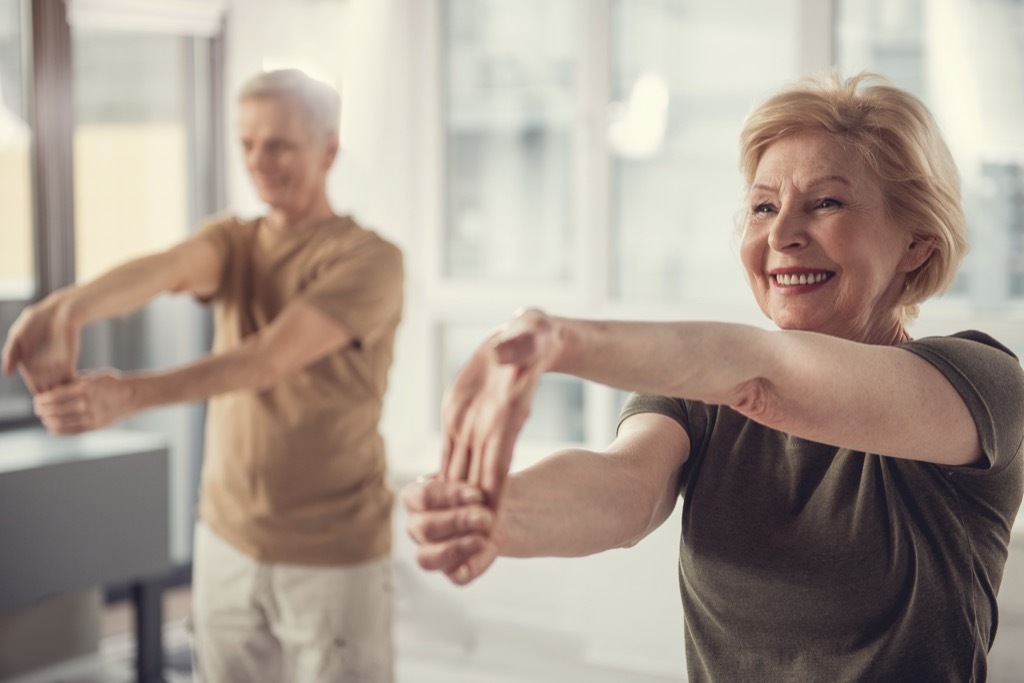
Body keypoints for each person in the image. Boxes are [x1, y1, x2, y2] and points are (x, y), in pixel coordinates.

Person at [401, 71, 1024, 681]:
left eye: (826, 203)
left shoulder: (979, 383)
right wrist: (499, 513)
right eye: (763, 207)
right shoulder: (705, 387)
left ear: (916, 242)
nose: (781, 234)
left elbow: (766, 377)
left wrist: (557, 341)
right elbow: (625, 487)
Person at [2, 69, 403, 683]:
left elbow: (267, 358)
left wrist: (129, 395)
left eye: (279, 144)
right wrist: (67, 308)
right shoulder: (235, 241)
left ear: (329, 147)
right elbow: (167, 269)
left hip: (332, 553)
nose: (258, 161)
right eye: (246, 144)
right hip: (227, 540)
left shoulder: (370, 259)